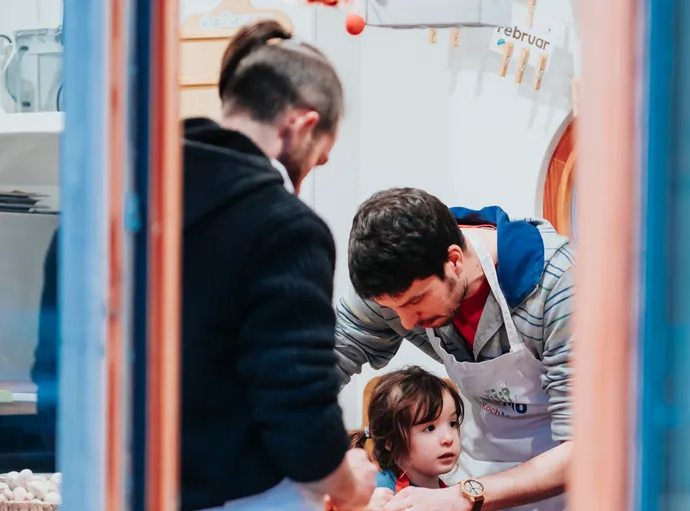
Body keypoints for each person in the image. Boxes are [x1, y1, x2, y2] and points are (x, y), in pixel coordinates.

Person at [32, 19, 376, 511]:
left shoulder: (103, 207)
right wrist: (350, 484)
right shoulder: (286, 227)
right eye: (318, 159)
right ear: (301, 126)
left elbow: (55, 376)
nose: (305, 180)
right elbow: (296, 415)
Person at [335, 188, 575, 511]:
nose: (406, 323)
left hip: (568, 491)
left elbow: (585, 451)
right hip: (478, 480)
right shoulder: (399, 279)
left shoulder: (558, 286)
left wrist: (462, 496)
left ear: (454, 261)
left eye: (415, 302)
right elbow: (318, 366)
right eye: (394, 309)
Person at [352, 366, 465, 495]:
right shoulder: (378, 491)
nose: (448, 438)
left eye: (452, 423)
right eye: (430, 428)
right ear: (391, 441)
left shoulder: (454, 496)